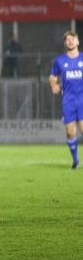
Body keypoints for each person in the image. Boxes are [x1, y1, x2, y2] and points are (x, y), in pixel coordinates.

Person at [48, 31, 82, 170]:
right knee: (70, 132)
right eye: (67, 40)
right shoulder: (60, 60)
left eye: (72, 39)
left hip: (82, 99)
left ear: (77, 41)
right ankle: (75, 161)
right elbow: (52, 76)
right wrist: (54, 85)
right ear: (65, 43)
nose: (70, 41)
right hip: (68, 101)